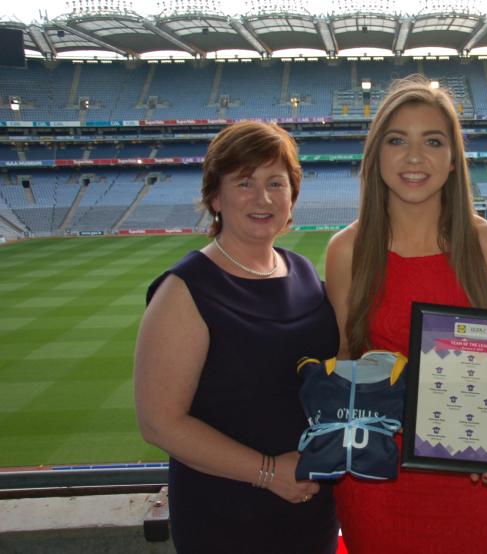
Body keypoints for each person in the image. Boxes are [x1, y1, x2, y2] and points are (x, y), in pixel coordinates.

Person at [325, 75, 487, 554]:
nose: (413, 158)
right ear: (377, 156)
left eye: (432, 141)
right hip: (375, 478)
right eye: (396, 141)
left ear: (453, 161)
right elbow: (344, 358)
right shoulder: (346, 250)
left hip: (466, 474)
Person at [134, 121, 339, 553]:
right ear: (215, 196)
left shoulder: (302, 272)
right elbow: (158, 422)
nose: (263, 198)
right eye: (244, 182)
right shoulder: (185, 289)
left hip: (310, 511)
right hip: (226, 519)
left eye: (275, 183)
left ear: (292, 195)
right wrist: (268, 472)